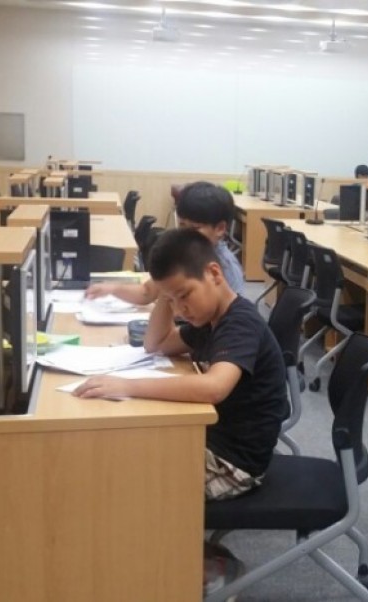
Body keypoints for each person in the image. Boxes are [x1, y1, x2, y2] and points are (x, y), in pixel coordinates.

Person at [73, 228, 288, 596]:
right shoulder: (209, 320)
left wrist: (128, 386)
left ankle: (203, 566)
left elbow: (214, 387)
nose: (181, 310)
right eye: (174, 301)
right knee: (115, 458)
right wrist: (167, 296)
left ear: (214, 274)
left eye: (185, 295)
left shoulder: (239, 323)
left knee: (122, 479)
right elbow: (155, 344)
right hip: (212, 444)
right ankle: (176, 556)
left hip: (234, 465)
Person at [84, 181, 246, 303]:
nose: (185, 233)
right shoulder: (181, 252)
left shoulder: (226, 269)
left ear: (220, 229)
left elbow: (232, 319)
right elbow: (148, 292)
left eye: (195, 228)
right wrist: (113, 289)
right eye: (182, 225)